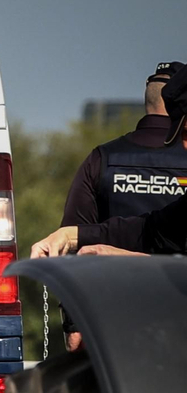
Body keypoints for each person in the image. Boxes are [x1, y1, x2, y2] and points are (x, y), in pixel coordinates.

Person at [55, 61, 186, 349]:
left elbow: (72, 255)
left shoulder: (101, 159)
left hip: (113, 326)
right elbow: (150, 229)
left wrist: (75, 325)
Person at [33, 69, 187, 260]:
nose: (184, 145)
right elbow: (152, 231)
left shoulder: (101, 158)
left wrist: (123, 258)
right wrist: (71, 235)